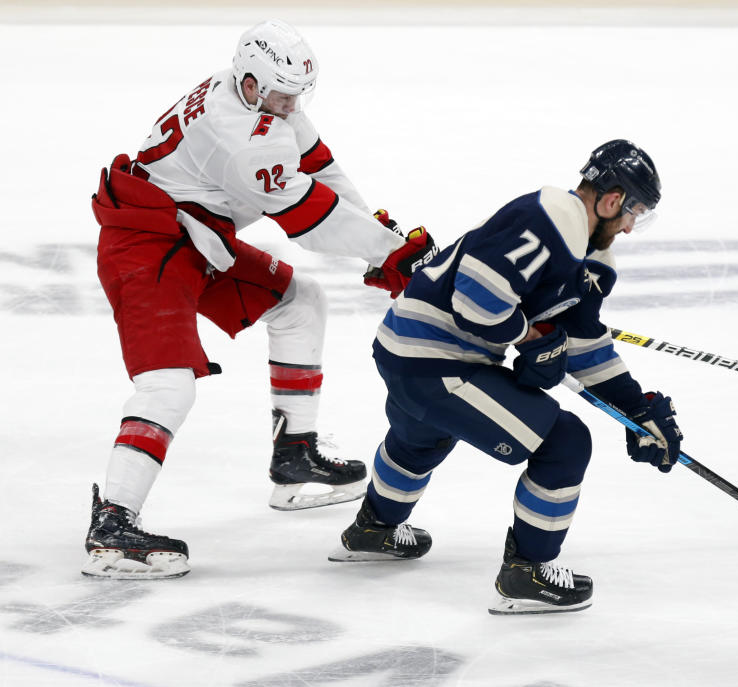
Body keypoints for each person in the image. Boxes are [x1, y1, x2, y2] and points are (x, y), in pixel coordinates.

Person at [83, 19, 437, 579]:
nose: (290, 105)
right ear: (250, 83)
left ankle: (294, 459)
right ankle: (112, 525)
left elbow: (320, 167)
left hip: (193, 237)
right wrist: (390, 253)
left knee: (301, 302)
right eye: (279, 95)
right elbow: (309, 219)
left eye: (297, 95)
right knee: (167, 384)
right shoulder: (240, 136)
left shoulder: (262, 96)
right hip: (146, 246)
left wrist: (381, 240)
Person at [327, 139, 684, 614]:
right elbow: (476, 302)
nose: (631, 226)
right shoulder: (552, 217)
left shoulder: (590, 258)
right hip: (438, 360)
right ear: (612, 198)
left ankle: (373, 529)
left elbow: (582, 344)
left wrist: (635, 409)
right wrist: (532, 335)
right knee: (564, 441)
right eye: (633, 211)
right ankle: (527, 572)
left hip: (407, 352)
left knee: (422, 436)